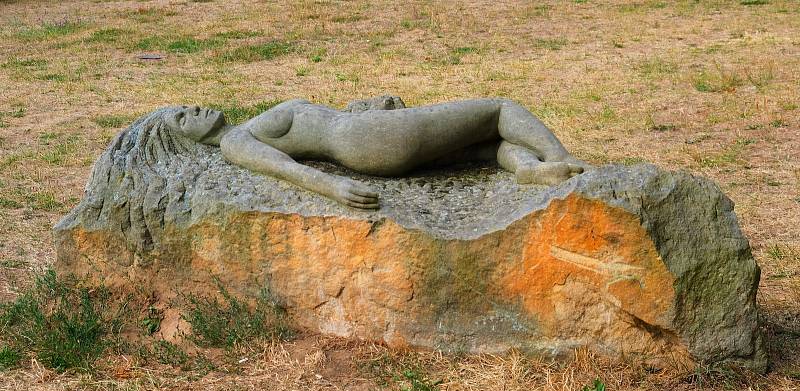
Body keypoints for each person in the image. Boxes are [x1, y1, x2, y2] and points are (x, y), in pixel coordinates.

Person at [165, 96, 591, 209]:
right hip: (368, 140)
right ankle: (561, 159)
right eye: (183, 118)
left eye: (187, 106)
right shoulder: (234, 142)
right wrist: (335, 189)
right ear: (187, 140)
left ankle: (529, 169)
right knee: (499, 109)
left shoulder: (244, 130)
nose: (194, 109)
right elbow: (283, 169)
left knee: (494, 145)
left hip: (368, 141)